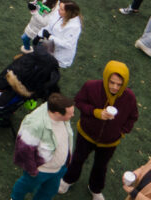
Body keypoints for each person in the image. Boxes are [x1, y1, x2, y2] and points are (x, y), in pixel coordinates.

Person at [59, 61, 138, 200]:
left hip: (110, 142)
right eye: (112, 82)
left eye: (119, 84)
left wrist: (121, 132)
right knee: (78, 158)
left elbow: (133, 117)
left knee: (101, 166)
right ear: (106, 77)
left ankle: (95, 188)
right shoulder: (91, 86)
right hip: (86, 134)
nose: (115, 87)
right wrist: (96, 113)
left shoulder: (129, 97)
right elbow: (79, 101)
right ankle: (68, 179)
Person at [11, 93, 75, 200]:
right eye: (70, 113)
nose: (73, 115)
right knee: (25, 186)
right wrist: (32, 171)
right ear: (57, 113)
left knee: (50, 191)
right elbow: (24, 149)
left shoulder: (63, 119)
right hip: (41, 170)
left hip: (59, 168)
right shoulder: (35, 124)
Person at [41, 0, 83, 69]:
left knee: (45, 70)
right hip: (50, 46)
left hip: (58, 56)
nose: (58, 10)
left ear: (68, 12)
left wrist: (50, 37)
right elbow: (51, 25)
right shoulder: (60, 14)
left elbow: (67, 44)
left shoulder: (74, 27)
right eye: (59, 7)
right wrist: (40, 34)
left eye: (61, 9)